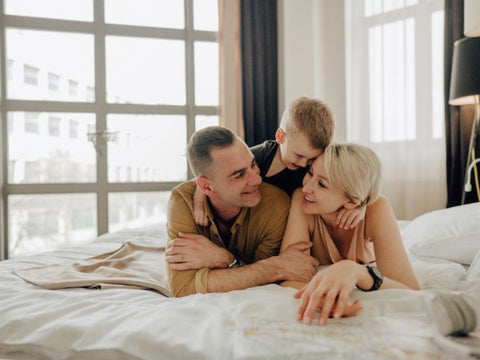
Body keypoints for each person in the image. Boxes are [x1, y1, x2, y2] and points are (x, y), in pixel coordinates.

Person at [165, 126, 319, 297]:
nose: (257, 179)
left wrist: (224, 259)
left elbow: (266, 282)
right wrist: (271, 268)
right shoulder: (182, 201)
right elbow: (183, 287)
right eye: (239, 175)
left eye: (253, 164)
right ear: (206, 186)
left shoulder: (276, 206)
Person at [279, 143, 420, 325]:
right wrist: (321, 297)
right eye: (310, 173)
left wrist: (357, 271)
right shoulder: (302, 200)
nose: (306, 187)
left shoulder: (377, 208)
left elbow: (410, 290)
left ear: (352, 202)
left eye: (321, 184)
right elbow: (288, 275)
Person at [192, 97, 363, 230]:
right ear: (280, 137)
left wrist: (360, 207)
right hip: (256, 220)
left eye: (311, 160)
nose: (304, 164)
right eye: (299, 155)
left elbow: (353, 183)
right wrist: (199, 208)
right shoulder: (257, 156)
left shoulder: (318, 163)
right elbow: (207, 181)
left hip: (293, 223)